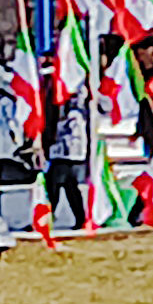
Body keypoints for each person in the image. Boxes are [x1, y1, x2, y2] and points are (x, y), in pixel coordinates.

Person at [41, 71, 93, 232]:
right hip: (62, 145)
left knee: (59, 184)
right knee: (66, 184)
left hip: (69, 145)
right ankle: (78, 218)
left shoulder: (75, 91)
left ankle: (51, 217)